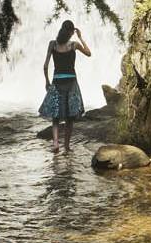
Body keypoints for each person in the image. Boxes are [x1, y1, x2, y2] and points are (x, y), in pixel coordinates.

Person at [40, 20, 92, 152]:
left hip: (57, 82)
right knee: (70, 116)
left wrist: (47, 81)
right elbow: (88, 53)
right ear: (71, 32)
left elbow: (45, 66)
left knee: (55, 116)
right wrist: (80, 37)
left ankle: (56, 144)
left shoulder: (52, 44)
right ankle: (67, 147)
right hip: (71, 82)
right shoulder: (74, 45)